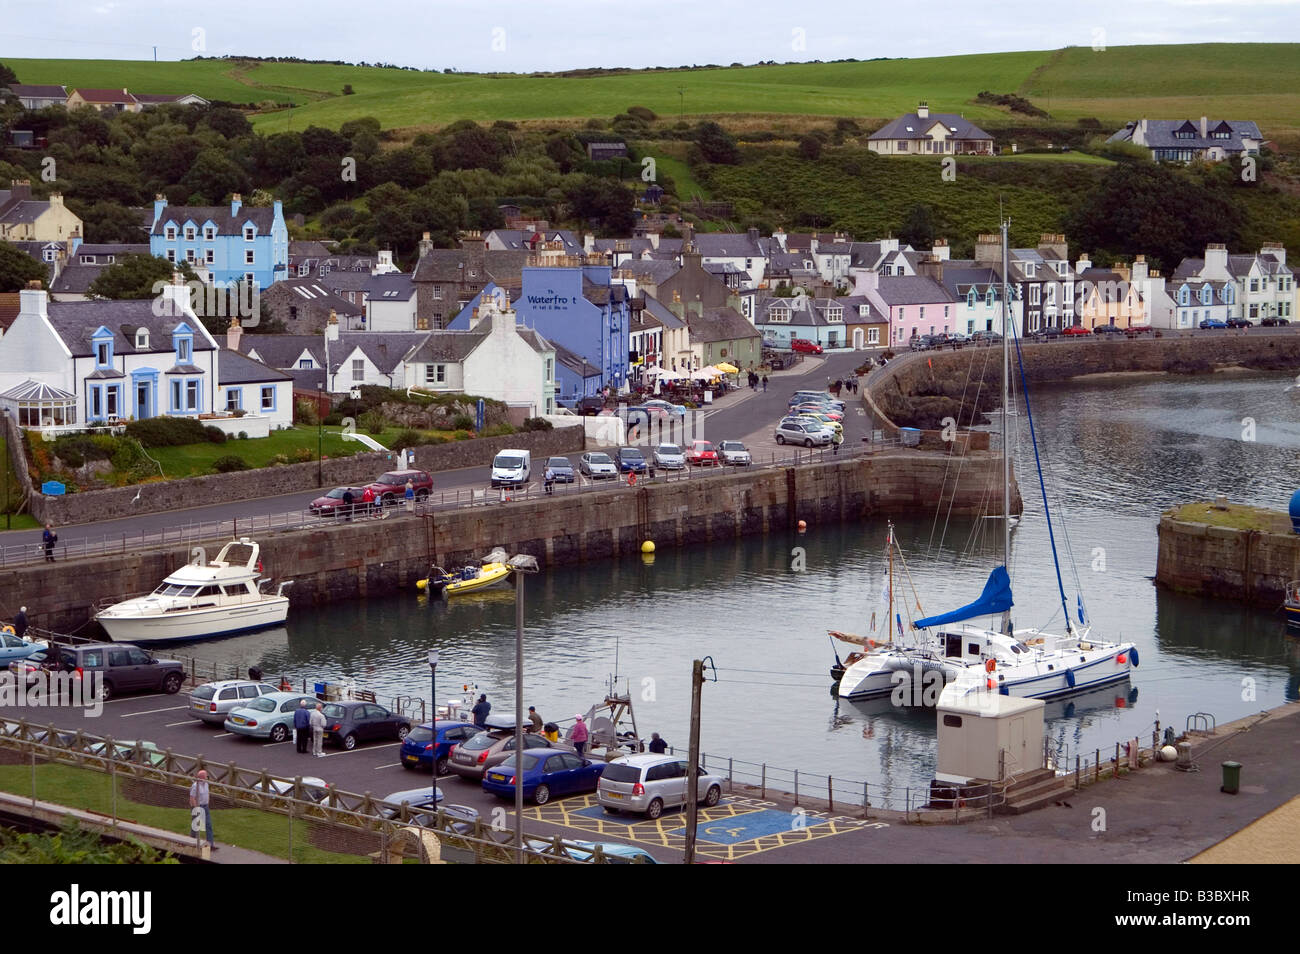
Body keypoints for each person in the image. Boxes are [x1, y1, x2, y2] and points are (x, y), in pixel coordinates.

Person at [189, 769, 215, 850]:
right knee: (195, 825)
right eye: (206, 776)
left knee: (208, 824)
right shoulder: (195, 786)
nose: (207, 777)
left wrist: (207, 803)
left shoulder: (206, 784)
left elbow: (207, 794)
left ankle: (210, 843)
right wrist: (196, 808)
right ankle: (191, 840)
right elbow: (192, 798)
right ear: (202, 777)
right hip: (198, 806)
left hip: (205, 807)